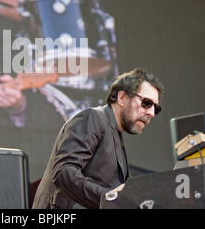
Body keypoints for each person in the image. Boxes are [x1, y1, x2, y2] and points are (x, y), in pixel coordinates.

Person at [32, 68, 164, 209]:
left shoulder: (116, 136)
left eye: (156, 108)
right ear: (122, 98)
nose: (151, 113)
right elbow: (63, 170)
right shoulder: (93, 117)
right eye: (146, 103)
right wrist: (108, 197)